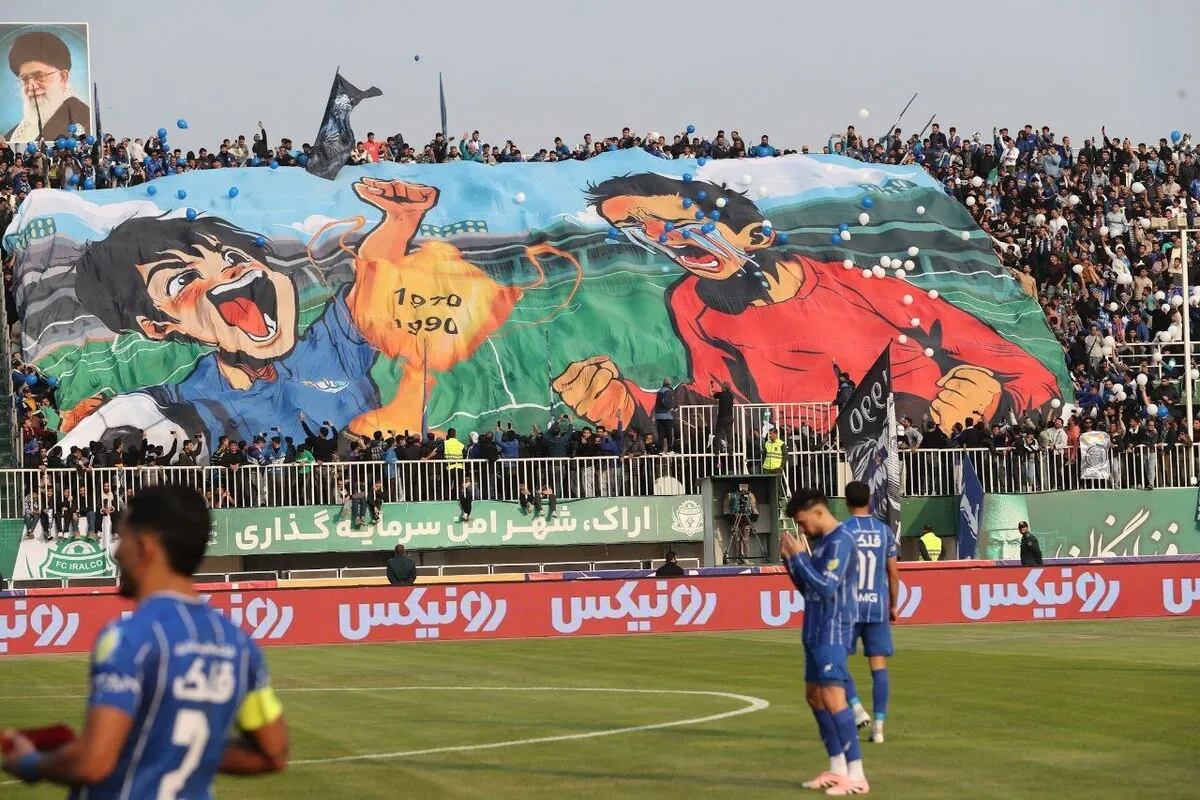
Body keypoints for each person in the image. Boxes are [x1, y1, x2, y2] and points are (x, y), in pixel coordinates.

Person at [0, 484, 289, 794]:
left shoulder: (129, 638)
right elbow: (273, 753)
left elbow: (93, 762)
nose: (116, 552)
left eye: (122, 538)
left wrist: (29, 763)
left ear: (145, 547)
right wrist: (166, 750)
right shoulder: (239, 644)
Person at [781, 487, 868, 795]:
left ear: (818, 512)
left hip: (833, 628)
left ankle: (856, 775)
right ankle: (837, 768)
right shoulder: (822, 544)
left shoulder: (841, 541)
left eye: (803, 522)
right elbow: (810, 590)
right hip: (815, 626)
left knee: (833, 698)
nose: (802, 529)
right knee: (815, 698)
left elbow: (828, 588)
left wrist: (800, 558)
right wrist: (791, 562)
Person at [840, 481, 899, 745]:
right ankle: (879, 728)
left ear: (847, 503)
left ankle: (856, 708)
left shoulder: (842, 531)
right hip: (877, 605)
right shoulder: (884, 532)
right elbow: (893, 573)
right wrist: (893, 605)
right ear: (870, 501)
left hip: (849, 607)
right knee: (878, 666)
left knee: (836, 662)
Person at [5, 30, 92, 141]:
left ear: (62, 77)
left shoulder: (84, 119)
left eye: (39, 76)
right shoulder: (16, 133)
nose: (31, 87)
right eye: (25, 79)